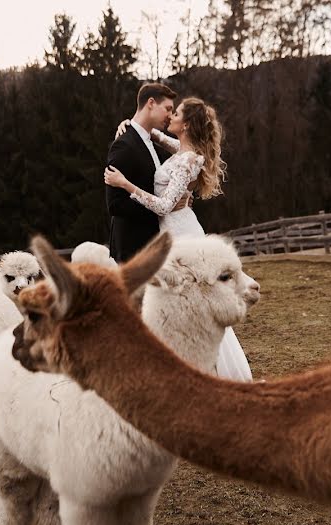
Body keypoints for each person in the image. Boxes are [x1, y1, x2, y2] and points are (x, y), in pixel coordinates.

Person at [104, 97, 253, 382]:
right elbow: (155, 136)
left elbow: (163, 206)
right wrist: (130, 123)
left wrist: (125, 184)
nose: (170, 116)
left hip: (181, 233)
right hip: (173, 230)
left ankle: (215, 369)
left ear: (185, 125)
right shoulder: (183, 150)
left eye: (176, 113)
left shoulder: (189, 160)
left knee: (197, 299)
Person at [105, 83, 188, 262]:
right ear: (151, 103)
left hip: (152, 245)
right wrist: (161, 208)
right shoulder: (124, 144)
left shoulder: (151, 140)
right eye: (167, 108)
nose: (170, 115)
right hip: (133, 251)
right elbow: (115, 204)